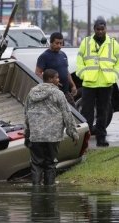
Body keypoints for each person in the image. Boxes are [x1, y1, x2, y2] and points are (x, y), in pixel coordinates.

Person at [24, 69, 79, 186]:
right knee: (50, 164)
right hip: (53, 136)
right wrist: (73, 132)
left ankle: (36, 191)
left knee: (36, 164)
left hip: (36, 135)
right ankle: (49, 191)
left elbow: (26, 114)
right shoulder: (58, 94)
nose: (59, 80)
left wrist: (27, 133)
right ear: (50, 79)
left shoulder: (31, 93)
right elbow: (67, 114)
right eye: (57, 77)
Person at [76, 17, 119, 147]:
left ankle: (101, 139)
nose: (100, 31)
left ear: (106, 28)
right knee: (86, 113)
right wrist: (82, 74)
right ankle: (85, 141)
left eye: (102, 28)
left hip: (106, 83)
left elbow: (117, 62)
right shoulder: (86, 42)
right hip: (89, 83)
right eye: (98, 29)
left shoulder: (113, 44)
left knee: (103, 112)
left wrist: (114, 75)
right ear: (94, 29)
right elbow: (80, 59)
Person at [35, 32, 77, 107]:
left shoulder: (63, 55)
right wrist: (50, 83)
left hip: (66, 92)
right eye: (57, 43)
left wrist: (73, 85)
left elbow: (66, 72)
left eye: (61, 43)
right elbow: (38, 73)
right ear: (51, 42)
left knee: (74, 114)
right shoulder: (44, 56)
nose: (59, 46)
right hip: (53, 94)